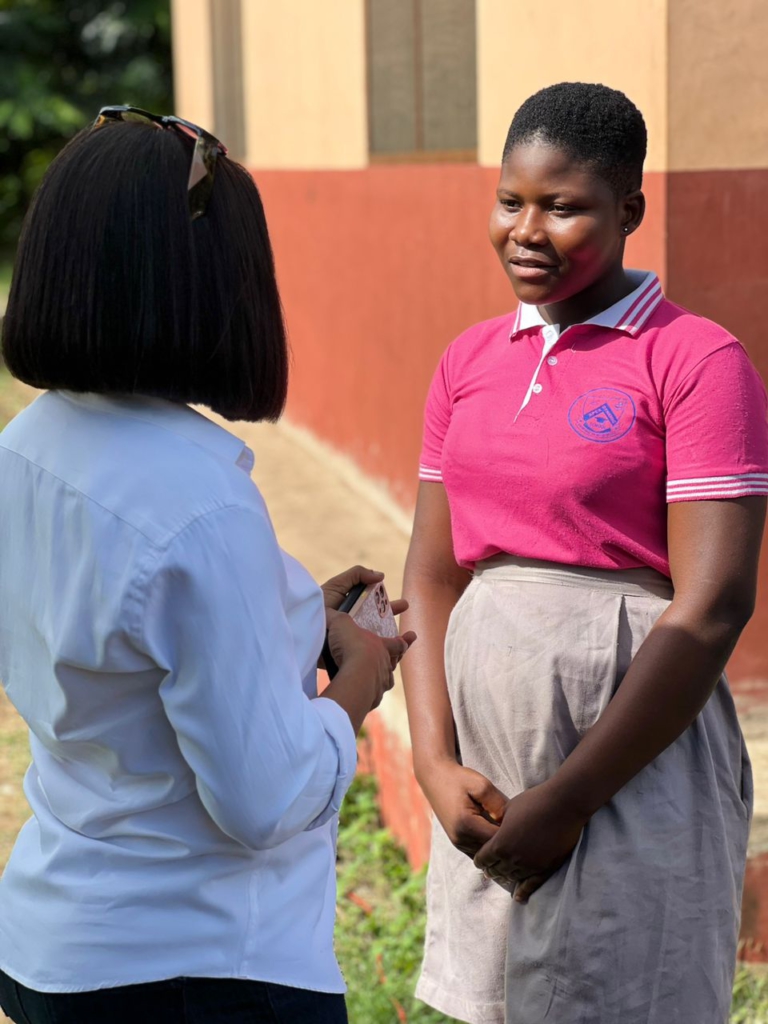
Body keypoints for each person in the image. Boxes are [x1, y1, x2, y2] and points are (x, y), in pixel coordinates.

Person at [0, 106, 414, 1024]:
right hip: (198, 967)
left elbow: (118, 645)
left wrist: (292, 613)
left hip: (59, 944)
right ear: (203, 284)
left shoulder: (25, 449)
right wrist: (359, 686)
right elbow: (263, 798)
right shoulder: (200, 506)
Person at [401, 81, 768, 1024]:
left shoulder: (694, 362)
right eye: (510, 200)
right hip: (487, 755)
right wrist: (435, 763)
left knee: (621, 993)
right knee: (493, 1001)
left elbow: (713, 604)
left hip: (625, 753)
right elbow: (433, 575)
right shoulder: (468, 362)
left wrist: (572, 795)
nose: (527, 229)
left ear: (630, 210)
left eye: (563, 207)